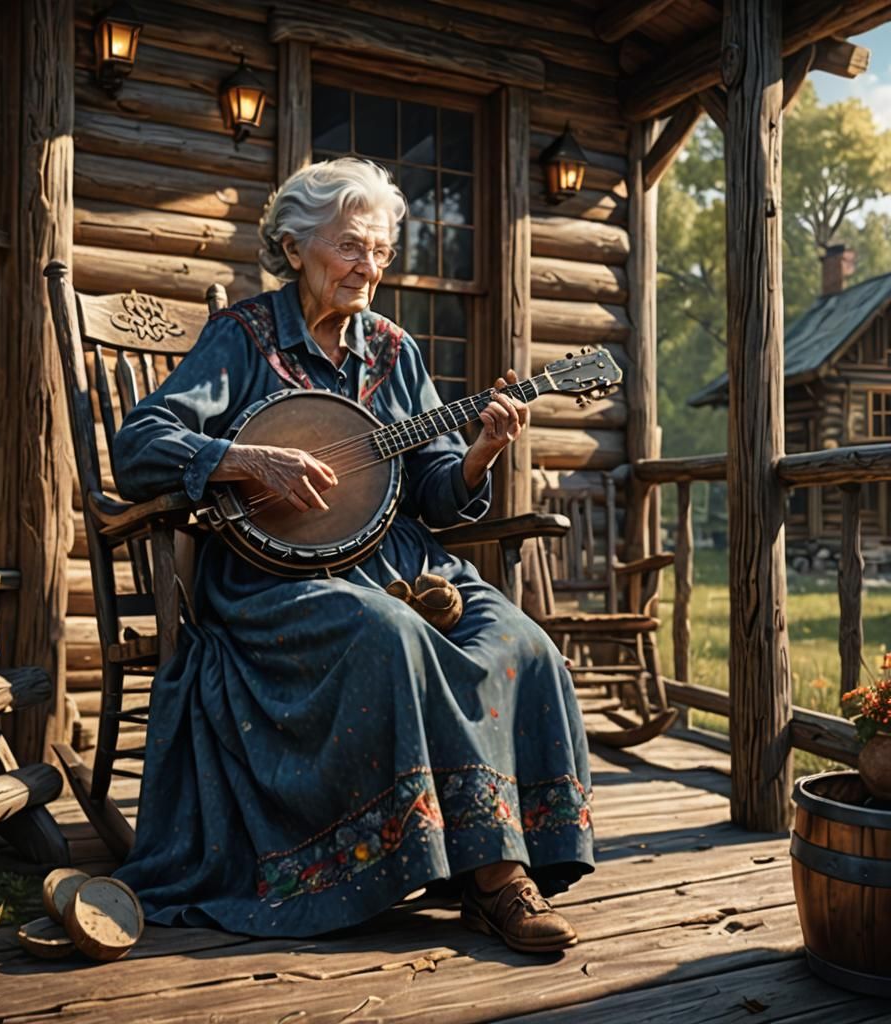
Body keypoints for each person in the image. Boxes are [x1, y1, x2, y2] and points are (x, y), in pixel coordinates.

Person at [112, 157, 594, 953]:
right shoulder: (244, 337)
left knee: (522, 641)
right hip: (278, 573)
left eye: (379, 251)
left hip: (398, 558)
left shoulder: (395, 351)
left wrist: (476, 456)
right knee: (390, 634)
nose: (368, 266)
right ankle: (494, 881)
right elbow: (140, 444)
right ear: (296, 246)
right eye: (350, 247)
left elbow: (438, 485)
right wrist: (246, 460)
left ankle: (490, 851)